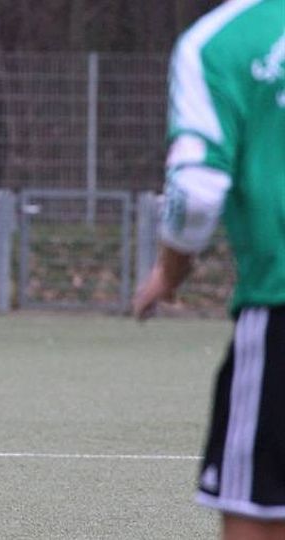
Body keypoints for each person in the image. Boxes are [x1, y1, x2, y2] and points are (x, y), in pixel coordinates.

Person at [131, 1, 285, 538]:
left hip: (279, 302)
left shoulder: (220, 42)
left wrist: (169, 272)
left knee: (259, 512)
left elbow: (197, 193)